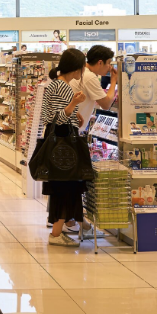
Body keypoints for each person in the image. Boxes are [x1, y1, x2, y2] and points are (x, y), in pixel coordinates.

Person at [40, 48, 93, 247]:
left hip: (59, 141)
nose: (83, 70)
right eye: (82, 66)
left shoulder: (56, 84)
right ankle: (56, 233)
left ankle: (69, 225)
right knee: (66, 185)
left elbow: (54, 114)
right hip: (63, 141)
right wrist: (74, 104)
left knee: (65, 185)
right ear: (76, 67)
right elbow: (56, 118)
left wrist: (74, 113)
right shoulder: (63, 86)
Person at [69, 44, 118, 130]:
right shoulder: (89, 76)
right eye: (109, 63)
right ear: (100, 63)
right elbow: (106, 105)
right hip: (72, 130)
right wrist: (113, 81)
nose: (110, 67)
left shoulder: (82, 72)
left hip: (71, 127)